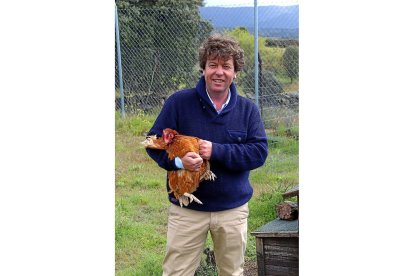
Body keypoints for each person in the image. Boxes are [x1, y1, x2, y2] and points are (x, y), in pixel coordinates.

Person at [145, 34, 268, 276]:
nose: (219, 72)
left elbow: (258, 153)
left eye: (226, 66)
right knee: (176, 273)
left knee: (231, 272)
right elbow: (154, 143)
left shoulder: (247, 110)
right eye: (213, 65)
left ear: (235, 73)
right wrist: (179, 161)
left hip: (232, 209)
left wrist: (216, 150)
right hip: (187, 208)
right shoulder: (179, 103)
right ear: (203, 69)